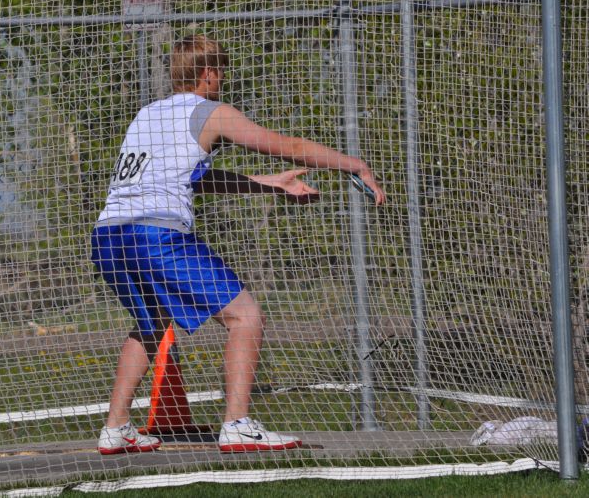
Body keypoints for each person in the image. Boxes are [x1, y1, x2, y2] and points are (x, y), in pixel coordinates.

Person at [91, 35, 385, 455]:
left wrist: (269, 184)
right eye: (221, 72)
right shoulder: (213, 112)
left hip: (108, 238)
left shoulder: (148, 114)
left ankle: (116, 426)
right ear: (208, 74)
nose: (223, 79)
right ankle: (238, 424)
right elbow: (290, 146)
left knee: (150, 323)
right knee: (245, 316)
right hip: (154, 235)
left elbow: (194, 179)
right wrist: (354, 163)